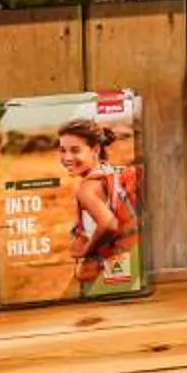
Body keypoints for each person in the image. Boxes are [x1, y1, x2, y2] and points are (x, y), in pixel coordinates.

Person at [54, 116, 137, 286]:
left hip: (99, 268)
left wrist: (86, 252)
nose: (67, 157)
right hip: (122, 262)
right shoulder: (110, 171)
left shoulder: (87, 188)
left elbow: (108, 224)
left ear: (95, 150)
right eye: (62, 150)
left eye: (75, 150)